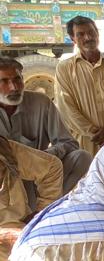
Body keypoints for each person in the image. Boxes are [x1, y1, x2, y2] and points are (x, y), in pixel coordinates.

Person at [0, 56, 92, 193]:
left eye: (17, 79)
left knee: (82, 157)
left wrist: (43, 157)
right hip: (6, 182)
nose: (13, 87)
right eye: (4, 81)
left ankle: (50, 206)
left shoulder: (41, 102)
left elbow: (69, 143)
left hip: (39, 176)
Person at [55, 16, 104, 155]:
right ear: (72, 38)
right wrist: (96, 133)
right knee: (87, 176)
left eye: (91, 32)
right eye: (80, 34)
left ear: (97, 33)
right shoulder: (65, 68)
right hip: (86, 143)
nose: (87, 37)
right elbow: (66, 109)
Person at [0, 136, 63, 261]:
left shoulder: (5, 149)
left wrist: (41, 214)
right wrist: (4, 236)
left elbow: (52, 168)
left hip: (21, 239)